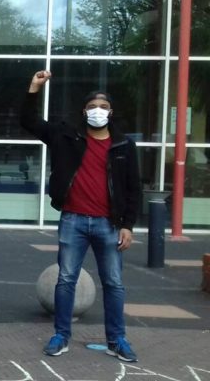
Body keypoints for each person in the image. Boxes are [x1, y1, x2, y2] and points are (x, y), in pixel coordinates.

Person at [21, 70, 141, 362]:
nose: (97, 111)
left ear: (111, 112)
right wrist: (34, 88)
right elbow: (29, 122)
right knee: (66, 279)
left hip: (109, 224)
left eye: (103, 107)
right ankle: (61, 335)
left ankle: (117, 339)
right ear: (83, 112)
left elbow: (133, 189)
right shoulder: (67, 136)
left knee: (113, 282)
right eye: (91, 107)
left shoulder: (123, 146)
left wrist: (128, 225)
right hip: (73, 220)